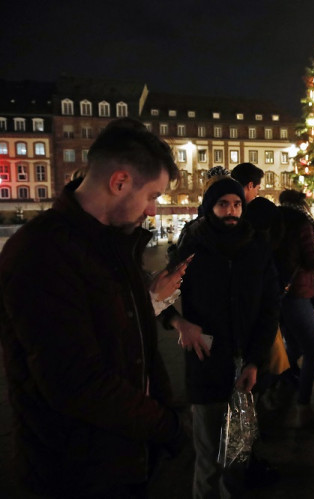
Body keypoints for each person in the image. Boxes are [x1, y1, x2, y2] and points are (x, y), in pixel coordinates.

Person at [0, 119, 184, 497]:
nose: (152, 210)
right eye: (152, 195)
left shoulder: (114, 244)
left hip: (122, 456)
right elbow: (76, 382)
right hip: (75, 472)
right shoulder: (41, 252)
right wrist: (165, 425)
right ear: (119, 182)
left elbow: (138, 345)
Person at [163, 172, 280, 498]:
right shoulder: (193, 245)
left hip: (247, 368)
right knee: (209, 460)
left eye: (236, 204)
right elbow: (159, 298)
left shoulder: (257, 246)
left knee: (237, 459)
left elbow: (270, 307)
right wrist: (180, 324)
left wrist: (255, 361)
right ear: (209, 207)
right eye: (222, 204)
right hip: (207, 364)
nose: (231, 211)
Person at [275, 189, 314, 427]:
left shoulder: (274, 219)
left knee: (292, 345)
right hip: (296, 292)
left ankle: (275, 383)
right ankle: (303, 406)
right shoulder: (302, 223)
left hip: (275, 293)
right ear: (302, 203)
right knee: (312, 348)